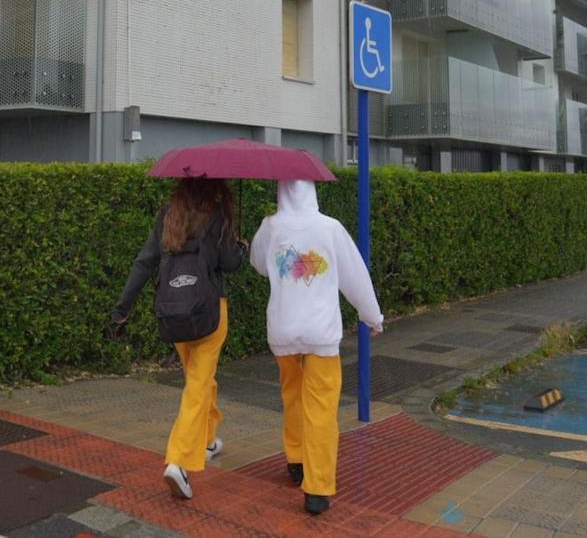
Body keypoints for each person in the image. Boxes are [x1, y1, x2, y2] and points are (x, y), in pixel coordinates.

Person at [249, 179, 384, 517]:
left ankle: (296, 460)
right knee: (321, 409)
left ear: (280, 188)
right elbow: (354, 276)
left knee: (292, 395)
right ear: (311, 187)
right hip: (321, 333)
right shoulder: (331, 228)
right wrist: (372, 316)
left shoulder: (270, 226)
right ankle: (318, 488)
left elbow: (259, 265)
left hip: (283, 329)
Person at [109, 178, 245, 501]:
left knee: (200, 381)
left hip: (174, 313)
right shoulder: (217, 215)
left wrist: (121, 308)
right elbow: (229, 263)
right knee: (197, 386)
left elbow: (145, 262)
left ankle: (208, 441)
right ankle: (179, 461)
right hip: (210, 314)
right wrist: (240, 248)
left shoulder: (169, 214)